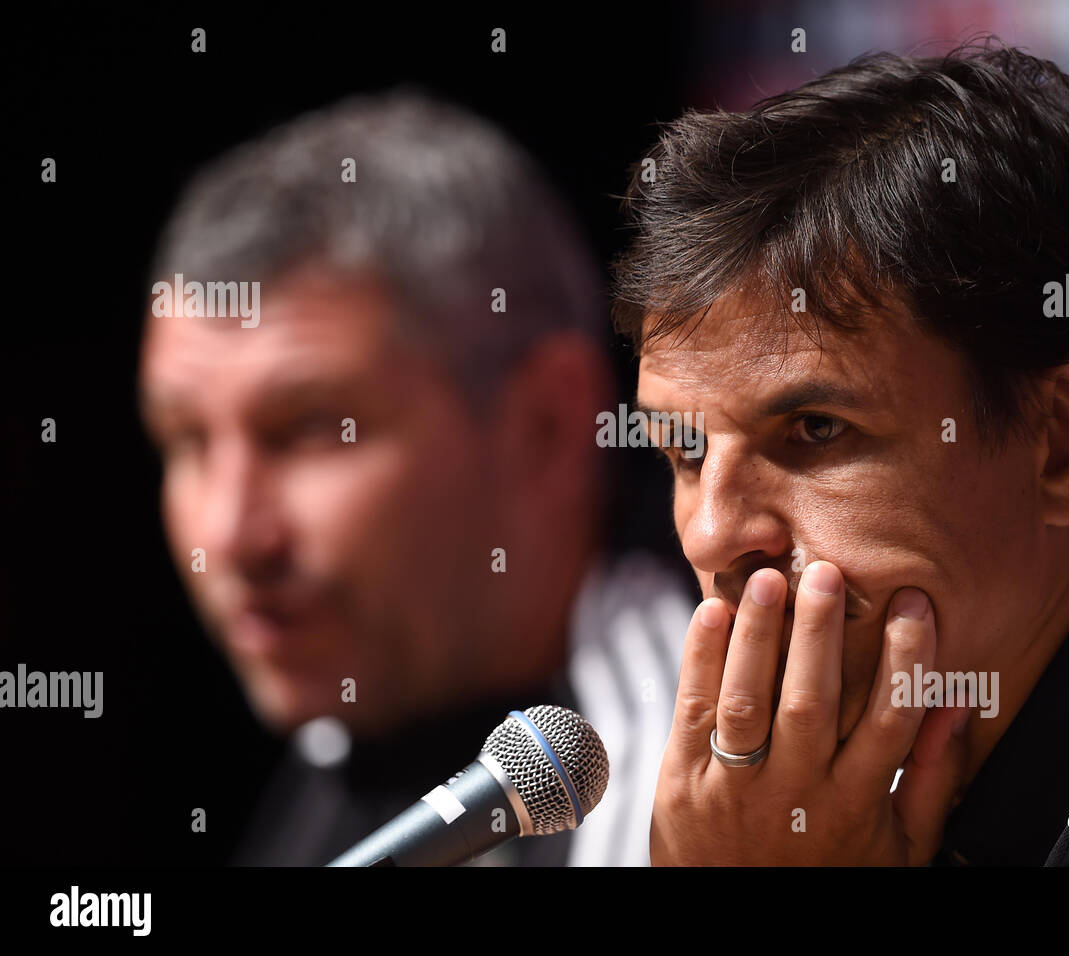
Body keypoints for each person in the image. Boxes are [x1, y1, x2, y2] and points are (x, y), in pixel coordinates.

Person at [610, 41, 1069, 866]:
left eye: (817, 429)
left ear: (1065, 441)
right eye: (684, 451)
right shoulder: (863, 790)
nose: (711, 535)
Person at [137, 90, 691, 866]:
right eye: (186, 440)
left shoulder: (679, 795)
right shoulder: (364, 698)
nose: (230, 536)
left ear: (547, 424)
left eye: (311, 429)